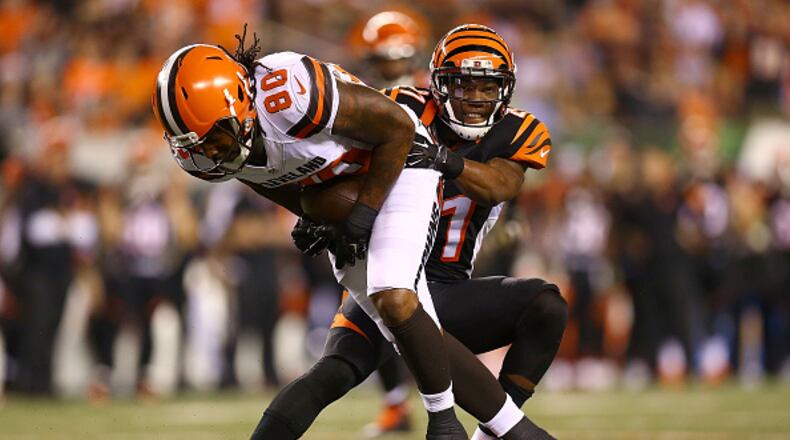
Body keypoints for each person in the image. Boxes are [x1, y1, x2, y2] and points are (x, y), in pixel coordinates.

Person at [152, 28, 534, 439]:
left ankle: (443, 424)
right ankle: (516, 432)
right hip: (345, 188)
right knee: (396, 326)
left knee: (395, 297)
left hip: (401, 165)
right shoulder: (218, 149)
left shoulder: (292, 92)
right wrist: (312, 216)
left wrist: (363, 214)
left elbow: (398, 129)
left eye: (215, 138)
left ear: (243, 101)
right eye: (198, 145)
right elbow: (268, 177)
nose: (209, 153)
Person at [257, 24, 565, 440]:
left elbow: (500, 185)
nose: (475, 99)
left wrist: (442, 159)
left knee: (545, 306)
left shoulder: (517, 131)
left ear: (505, 90)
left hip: (447, 288)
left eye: (487, 87)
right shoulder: (401, 108)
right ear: (439, 85)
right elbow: (342, 165)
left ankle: (491, 435)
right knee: (332, 374)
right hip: (384, 277)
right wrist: (319, 214)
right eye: (462, 86)